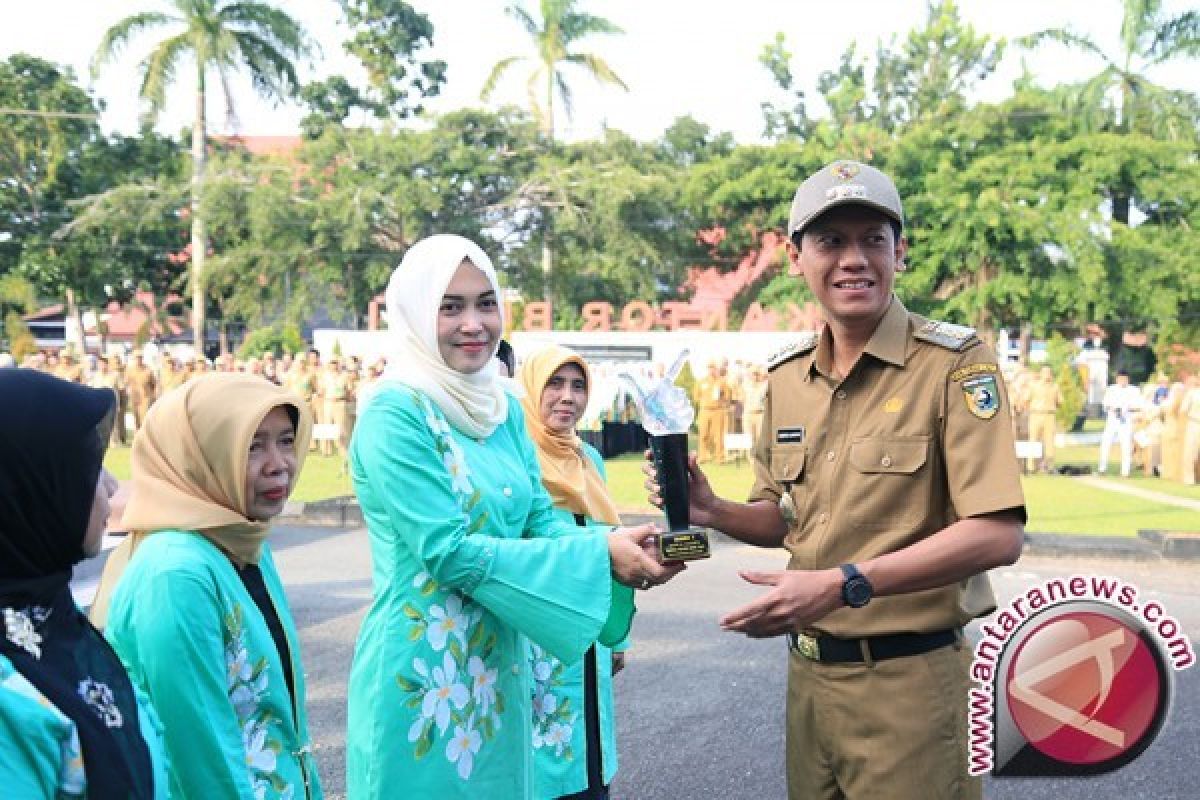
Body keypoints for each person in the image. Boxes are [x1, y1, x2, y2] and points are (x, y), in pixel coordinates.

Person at [645, 160, 1025, 800]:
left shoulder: (954, 364)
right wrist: (712, 509)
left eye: (872, 239)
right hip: (811, 685)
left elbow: (996, 533)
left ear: (900, 252)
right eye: (830, 241)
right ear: (796, 257)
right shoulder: (787, 377)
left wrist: (845, 583)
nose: (854, 259)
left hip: (910, 685)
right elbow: (785, 516)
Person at [345, 234, 680, 800]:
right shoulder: (395, 412)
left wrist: (618, 543)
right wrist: (598, 553)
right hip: (422, 676)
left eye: (485, 303)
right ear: (416, 314)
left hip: (502, 667)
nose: (473, 323)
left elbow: (540, 523)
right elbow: (447, 552)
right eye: (450, 306)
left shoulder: (504, 410)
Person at [91, 373, 324, 799]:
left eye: (286, 440)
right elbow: (201, 756)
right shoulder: (176, 574)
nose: (279, 463)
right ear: (200, 455)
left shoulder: (242, 540)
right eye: (253, 446)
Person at [0, 369, 169, 798]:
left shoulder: (49, 618)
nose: (111, 485)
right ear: (30, 488)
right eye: (90, 467)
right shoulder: (9, 698)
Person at [518, 345, 629, 800]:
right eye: (555, 384)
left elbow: (609, 544)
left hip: (589, 636)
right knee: (541, 766)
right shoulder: (518, 459)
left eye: (578, 386)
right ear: (531, 390)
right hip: (537, 637)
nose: (568, 397)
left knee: (590, 755)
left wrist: (616, 637)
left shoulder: (588, 459)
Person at [1098, 370, 1142, 477]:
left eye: (1124, 379)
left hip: (1126, 420)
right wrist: (1113, 408)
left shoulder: (1134, 390)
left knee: (1126, 446)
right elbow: (1105, 404)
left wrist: (1127, 409)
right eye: (1120, 379)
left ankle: (1125, 472)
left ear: (1128, 379)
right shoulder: (1111, 389)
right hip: (1112, 420)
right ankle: (1102, 468)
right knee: (1106, 443)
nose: (1122, 381)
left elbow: (1139, 405)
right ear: (1117, 379)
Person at [693, 361, 731, 464]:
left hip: (718, 411)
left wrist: (722, 401)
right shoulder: (701, 382)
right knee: (703, 434)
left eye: (713, 368)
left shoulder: (721, 382)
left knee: (719, 435)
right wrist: (704, 401)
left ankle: (720, 457)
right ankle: (702, 456)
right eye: (710, 368)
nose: (711, 370)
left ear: (716, 369)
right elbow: (696, 396)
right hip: (705, 411)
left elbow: (728, 396)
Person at [1026, 365, 1061, 473]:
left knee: (1049, 441)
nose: (1047, 375)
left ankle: (1049, 466)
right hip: (1035, 415)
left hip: (1049, 415)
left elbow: (1060, 402)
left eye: (1049, 372)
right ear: (1040, 374)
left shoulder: (1055, 387)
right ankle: (1031, 467)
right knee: (1033, 440)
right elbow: (1026, 400)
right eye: (1045, 372)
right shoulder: (1033, 386)